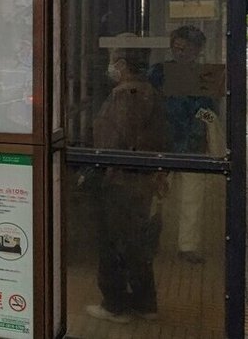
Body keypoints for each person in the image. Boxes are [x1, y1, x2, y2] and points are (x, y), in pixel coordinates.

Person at [86, 41, 167, 324]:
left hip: (123, 181)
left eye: (112, 60)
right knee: (136, 244)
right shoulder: (147, 91)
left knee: (115, 243)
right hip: (138, 181)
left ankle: (115, 305)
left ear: (121, 64)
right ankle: (145, 303)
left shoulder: (127, 95)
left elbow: (121, 139)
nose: (110, 66)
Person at [149, 25, 216, 264]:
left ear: (197, 50)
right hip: (164, 142)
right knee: (156, 196)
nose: (180, 53)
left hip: (190, 143)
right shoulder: (158, 73)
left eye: (186, 49)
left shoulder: (203, 75)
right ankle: (152, 239)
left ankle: (187, 246)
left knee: (191, 199)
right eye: (177, 47)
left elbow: (212, 112)